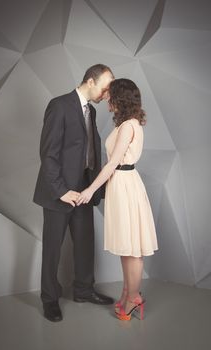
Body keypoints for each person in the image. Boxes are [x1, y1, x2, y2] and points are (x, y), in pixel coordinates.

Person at [33, 64, 115, 322]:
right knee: (52, 249)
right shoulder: (59, 105)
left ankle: (83, 290)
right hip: (59, 191)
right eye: (105, 87)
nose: (107, 94)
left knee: (84, 244)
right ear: (91, 81)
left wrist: (93, 189)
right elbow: (48, 154)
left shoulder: (90, 110)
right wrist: (61, 190)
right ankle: (49, 299)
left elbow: (88, 151)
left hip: (84, 190)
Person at [76, 78, 158, 321]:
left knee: (133, 247)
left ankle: (134, 298)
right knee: (127, 245)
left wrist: (90, 189)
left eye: (110, 95)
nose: (106, 99)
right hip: (122, 184)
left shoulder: (127, 126)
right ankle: (128, 292)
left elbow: (113, 163)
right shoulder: (128, 123)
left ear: (119, 98)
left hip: (124, 183)